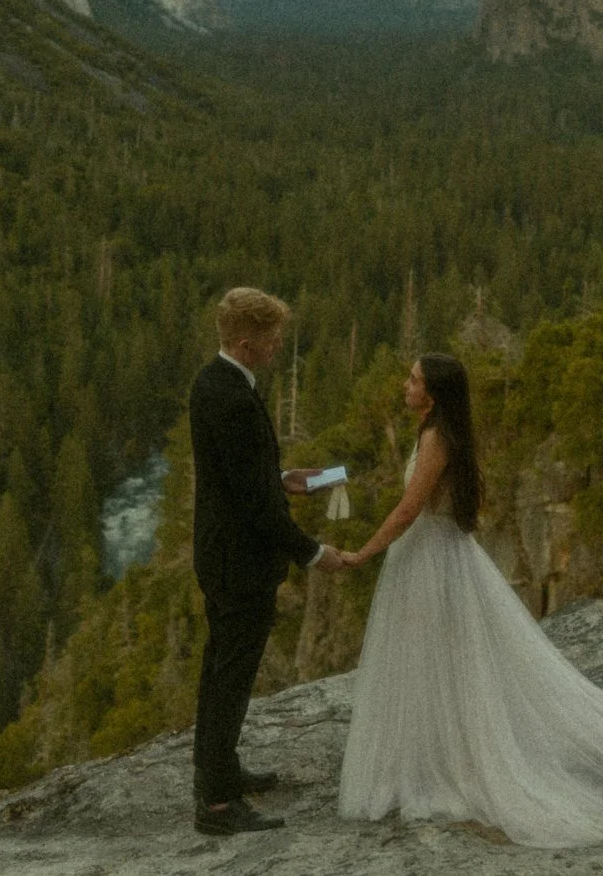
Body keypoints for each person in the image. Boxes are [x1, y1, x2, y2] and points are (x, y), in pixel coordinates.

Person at [330, 352, 603, 847]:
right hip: (431, 555)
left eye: (412, 379)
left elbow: (411, 508)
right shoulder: (436, 430)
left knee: (443, 660)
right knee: (434, 660)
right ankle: (434, 753)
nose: (404, 385)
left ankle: (449, 761)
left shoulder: (437, 437)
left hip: (430, 558)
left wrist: (363, 552)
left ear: (431, 395)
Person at [188, 287, 346, 836]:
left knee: (219, 667)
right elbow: (254, 508)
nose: (279, 345)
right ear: (247, 342)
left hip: (217, 551)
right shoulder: (234, 399)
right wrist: (312, 552)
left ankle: (218, 769)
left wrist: (281, 479)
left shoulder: (211, 381)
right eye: (273, 338)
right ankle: (215, 805)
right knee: (231, 675)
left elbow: (236, 479)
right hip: (240, 560)